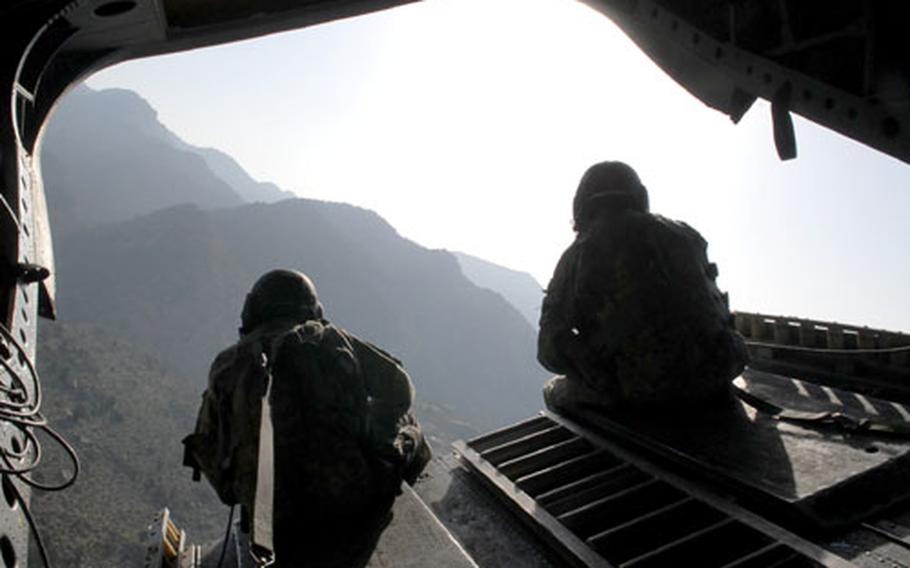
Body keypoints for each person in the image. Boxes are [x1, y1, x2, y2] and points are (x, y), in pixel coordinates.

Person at [183, 269, 431, 567]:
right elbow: (400, 390)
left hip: (271, 526)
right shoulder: (328, 339)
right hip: (349, 506)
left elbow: (208, 452)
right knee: (411, 425)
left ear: (252, 311)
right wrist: (366, 433)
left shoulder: (225, 365)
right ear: (312, 310)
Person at [538, 161, 747, 415]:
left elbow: (549, 349)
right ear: (640, 197)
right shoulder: (687, 236)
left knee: (554, 390)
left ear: (580, 204)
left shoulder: (580, 251)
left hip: (641, 395)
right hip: (717, 377)